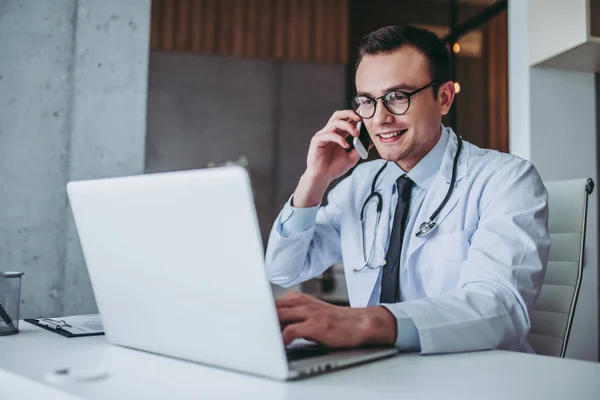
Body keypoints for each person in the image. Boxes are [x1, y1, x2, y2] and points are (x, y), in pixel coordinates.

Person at [265, 25, 550, 354]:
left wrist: (368, 323)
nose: (380, 117)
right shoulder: (360, 185)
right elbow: (283, 269)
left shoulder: (506, 180)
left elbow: (500, 310)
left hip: (471, 375)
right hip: (375, 374)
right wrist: (314, 180)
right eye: (367, 101)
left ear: (443, 98)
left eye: (397, 97)